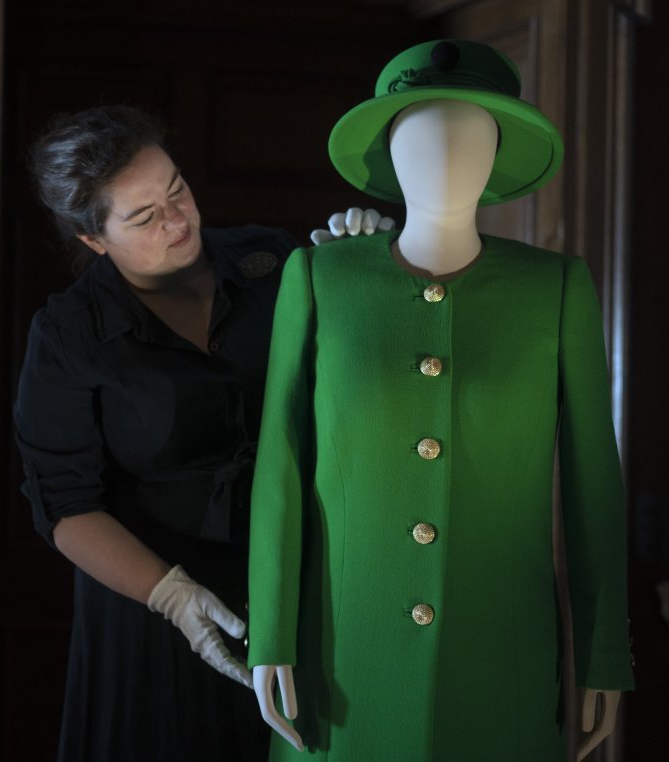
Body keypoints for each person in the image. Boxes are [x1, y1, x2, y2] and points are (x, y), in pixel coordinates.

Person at [248, 40, 634, 761]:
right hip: (341, 659)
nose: (447, 158)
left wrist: (604, 650)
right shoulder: (320, 279)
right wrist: (271, 634)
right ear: (389, 154)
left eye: (471, 138)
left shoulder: (552, 287)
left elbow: (593, 484)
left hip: (500, 660)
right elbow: (282, 466)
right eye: (421, 137)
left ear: (498, 156)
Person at [13, 104, 388, 762]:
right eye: (144, 217)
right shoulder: (69, 335)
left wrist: (366, 271)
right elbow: (66, 506)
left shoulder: (270, 259)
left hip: (293, 590)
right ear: (94, 240)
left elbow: (363, 387)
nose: (179, 219)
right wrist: (174, 597)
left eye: (177, 189)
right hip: (154, 611)